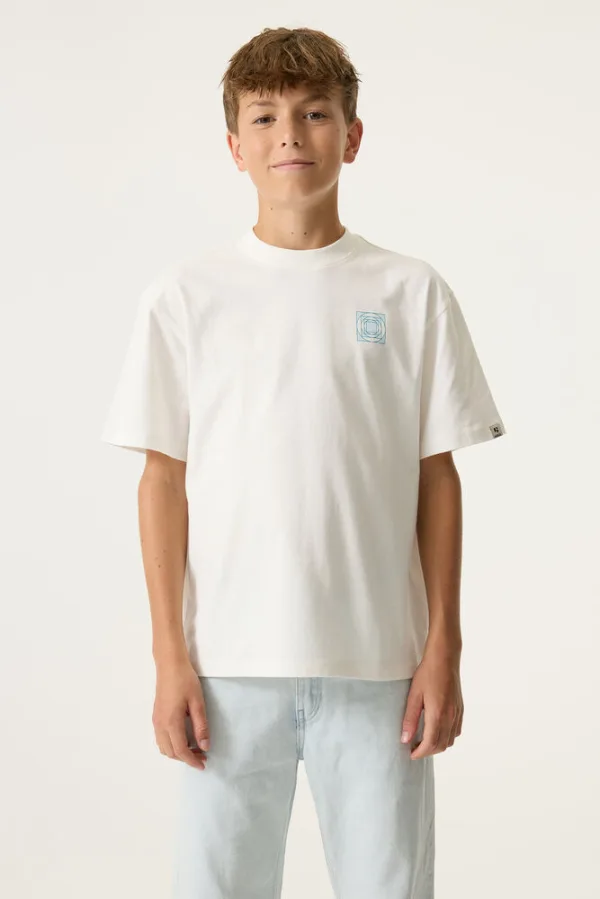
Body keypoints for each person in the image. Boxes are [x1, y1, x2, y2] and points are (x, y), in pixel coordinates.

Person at [101, 25, 507, 899]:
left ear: (351, 136)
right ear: (234, 146)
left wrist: (443, 647)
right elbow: (162, 481)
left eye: (315, 113)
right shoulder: (186, 297)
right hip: (226, 667)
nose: (290, 134)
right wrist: (170, 657)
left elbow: (436, 477)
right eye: (265, 116)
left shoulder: (410, 291)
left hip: (379, 668)